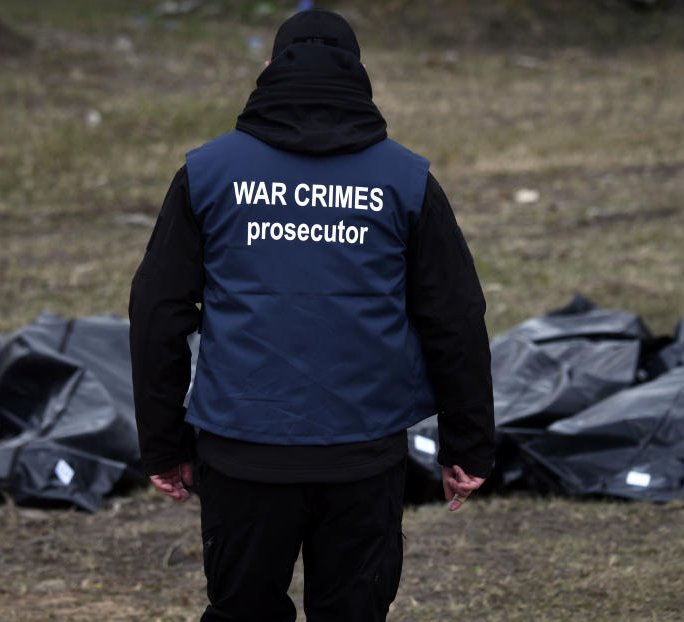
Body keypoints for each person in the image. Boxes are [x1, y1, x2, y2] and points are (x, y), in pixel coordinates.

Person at [129, 8, 494, 622]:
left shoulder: (207, 174)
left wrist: (163, 445)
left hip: (241, 452)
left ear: (267, 70)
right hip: (364, 455)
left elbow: (157, 312)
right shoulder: (406, 181)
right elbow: (454, 315)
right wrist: (468, 445)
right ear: (361, 76)